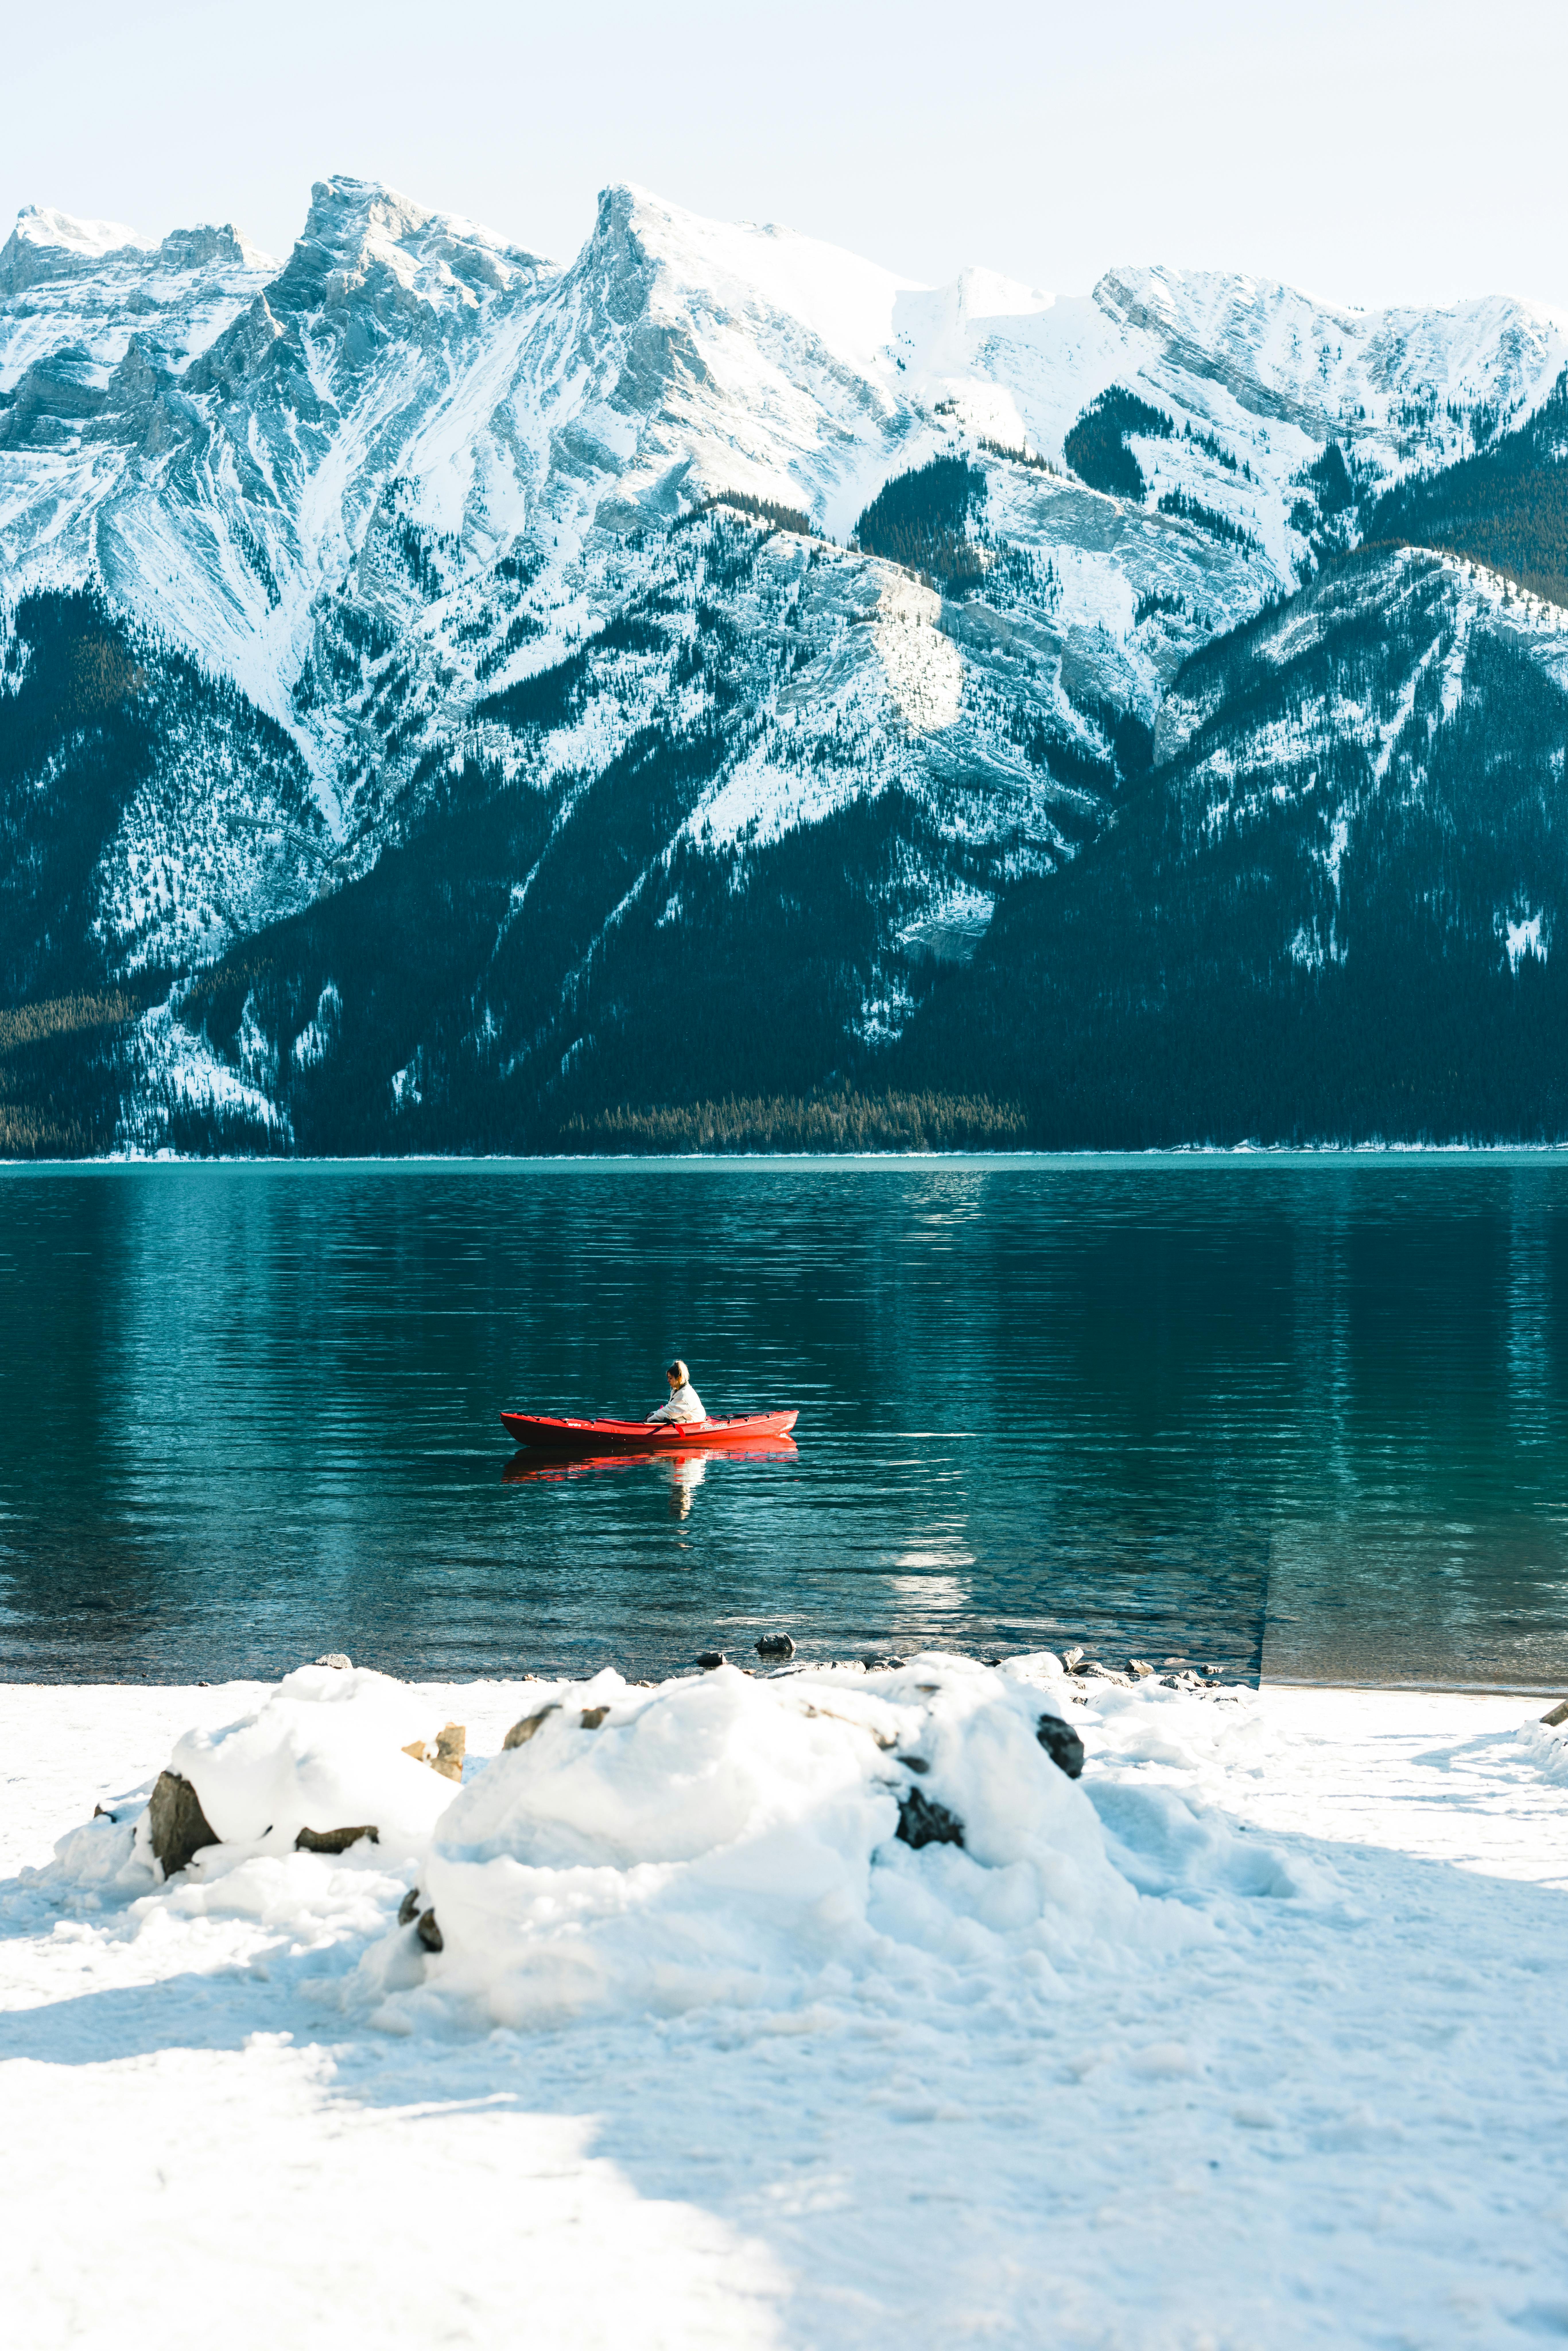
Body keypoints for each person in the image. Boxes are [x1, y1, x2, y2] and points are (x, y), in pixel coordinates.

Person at [648, 1358, 706, 1425]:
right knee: (656, 1418)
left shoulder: (685, 1394)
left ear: (679, 1378)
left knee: (660, 1421)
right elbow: (669, 1409)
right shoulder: (677, 1390)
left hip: (694, 1421)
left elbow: (668, 1412)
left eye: (671, 1378)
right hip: (684, 1417)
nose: (668, 1381)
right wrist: (653, 1414)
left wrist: (649, 1421)